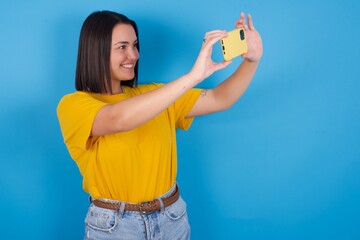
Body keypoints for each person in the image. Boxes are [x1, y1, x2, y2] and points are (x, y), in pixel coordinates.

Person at [57, 10, 262, 240]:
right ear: (96, 50)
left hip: (172, 219)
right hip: (115, 228)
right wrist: (193, 76)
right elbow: (118, 119)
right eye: (122, 47)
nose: (133, 55)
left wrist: (252, 61)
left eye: (135, 45)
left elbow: (220, 98)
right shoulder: (74, 105)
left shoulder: (157, 94)